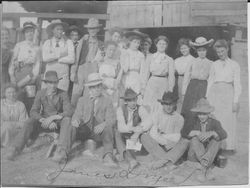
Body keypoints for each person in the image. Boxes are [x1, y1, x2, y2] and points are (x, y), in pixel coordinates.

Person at [53, 73, 117, 166]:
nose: (97, 89)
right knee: (71, 124)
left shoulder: (107, 101)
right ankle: (63, 153)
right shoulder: (82, 100)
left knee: (108, 128)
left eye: (99, 86)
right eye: (94, 87)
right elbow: (77, 115)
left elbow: (111, 119)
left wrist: (103, 124)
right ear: (90, 88)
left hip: (97, 132)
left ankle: (108, 156)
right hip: (84, 130)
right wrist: (76, 120)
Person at [7, 71, 73, 161]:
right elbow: (33, 111)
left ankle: (61, 152)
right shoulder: (40, 93)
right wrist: (43, 119)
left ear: (58, 82)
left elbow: (69, 111)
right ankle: (15, 149)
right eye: (50, 83)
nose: (53, 86)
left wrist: (53, 118)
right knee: (30, 121)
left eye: (55, 82)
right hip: (44, 123)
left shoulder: (63, 94)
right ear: (45, 83)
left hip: (58, 123)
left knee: (67, 120)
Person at [206, 39, 241, 154]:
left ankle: (227, 147)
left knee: (228, 119)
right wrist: (207, 97)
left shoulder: (234, 65)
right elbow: (210, 81)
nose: (220, 54)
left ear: (227, 49)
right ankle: (215, 146)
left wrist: (235, 101)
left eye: (222, 51)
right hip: (215, 93)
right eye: (218, 52)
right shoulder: (214, 64)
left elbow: (237, 84)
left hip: (228, 93)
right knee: (216, 118)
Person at [181, 98, 227, 182]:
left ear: (209, 113)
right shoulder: (192, 121)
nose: (201, 117)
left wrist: (212, 132)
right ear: (197, 113)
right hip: (194, 155)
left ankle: (203, 168)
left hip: (208, 153)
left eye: (204, 114)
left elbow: (224, 134)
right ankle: (207, 168)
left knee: (217, 139)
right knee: (194, 138)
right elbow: (183, 133)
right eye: (199, 114)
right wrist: (194, 132)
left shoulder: (214, 122)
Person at [70, 18, 103, 107]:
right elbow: (76, 57)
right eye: (91, 28)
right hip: (82, 67)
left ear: (98, 29)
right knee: (76, 92)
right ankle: (72, 114)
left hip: (93, 68)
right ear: (88, 30)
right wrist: (73, 72)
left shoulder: (100, 43)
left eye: (95, 28)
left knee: (89, 92)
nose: (92, 30)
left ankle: (85, 114)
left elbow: (101, 60)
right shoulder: (83, 40)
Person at [115, 88, 151, 170]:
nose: (133, 102)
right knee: (117, 133)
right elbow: (121, 128)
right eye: (130, 101)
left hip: (136, 137)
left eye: (134, 100)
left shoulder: (140, 108)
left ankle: (129, 155)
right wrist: (134, 129)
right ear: (126, 101)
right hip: (124, 136)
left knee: (144, 136)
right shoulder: (120, 109)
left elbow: (149, 121)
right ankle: (131, 160)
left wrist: (137, 132)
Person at [9, 22, 41, 112]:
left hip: (30, 74)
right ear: (24, 34)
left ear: (34, 33)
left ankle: (29, 121)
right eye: (27, 32)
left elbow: (37, 63)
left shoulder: (37, 48)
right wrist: (11, 75)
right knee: (18, 97)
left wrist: (34, 76)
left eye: (31, 31)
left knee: (30, 99)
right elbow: (13, 61)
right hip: (19, 73)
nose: (29, 33)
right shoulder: (19, 45)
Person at [181, 37, 213, 119]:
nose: (201, 52)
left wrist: (208, 93)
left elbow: (211, 79)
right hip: (192, 87)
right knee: (190, 108)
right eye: (199, 50)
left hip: (203, 87)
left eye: (203, 50)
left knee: (201, 109)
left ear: (207, 50)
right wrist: (184, 91)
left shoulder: (211, 63)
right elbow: (187, 76)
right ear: (196, 51)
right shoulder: (192, 61)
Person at [142, 36, 175, 113]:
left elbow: (171, 76)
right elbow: (146, 73)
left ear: (166, 46)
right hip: (152, 82)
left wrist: (170, 89)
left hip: (163, 82)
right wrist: (143, 87)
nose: (162, 45)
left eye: (164, 44)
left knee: (161, 104)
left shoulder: (169, 59)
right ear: (156, 45)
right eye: (160, 43)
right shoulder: (150, 57)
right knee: (150, 103)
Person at [42, 19, 75, 92]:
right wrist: (60, 54)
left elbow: (71, 59)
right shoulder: (47, 42)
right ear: (52, 30)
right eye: (57, 29)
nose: (60, 31)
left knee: (61, 97)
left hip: (62, 76)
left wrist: (58, 59)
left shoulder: (68, 42)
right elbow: (45, 58)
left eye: (61, 29)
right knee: (48, 96)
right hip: (49, 75)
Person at [120, 30, 146, 95]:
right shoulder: (125, 52)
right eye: (134, 42)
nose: (136, 44)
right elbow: (122, 67)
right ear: (130, 42)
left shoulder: (141, 55)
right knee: (126, 94)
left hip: (137, 77)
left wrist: (143, 84)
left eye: (138, 43)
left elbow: (143, 71)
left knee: (136, 95)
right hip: (126, 76)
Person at [174, 38, 195, 111]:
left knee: (187, 100)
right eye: (182, 48)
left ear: (189, 48)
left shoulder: (193, 59)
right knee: (179, 100)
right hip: (179, 81)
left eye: (185, 48)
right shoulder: (177, 60)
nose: (183, 50)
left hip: (189, 81)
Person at [98, 40, 121, 107]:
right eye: (110, 50)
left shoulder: (116, 62)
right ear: (105, 49)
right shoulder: (100, 61)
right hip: (102, 86)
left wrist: (114, 86)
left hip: (112, 86)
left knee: (113, 106)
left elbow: (117, 77)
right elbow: (97, 75)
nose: (112, 52)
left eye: (113, 50)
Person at [65, 25, 82, 97]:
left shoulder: (80, 45)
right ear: (69, 36)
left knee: (74, 89)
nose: (75, 37)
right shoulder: (66, 45)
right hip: (66, 69)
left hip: (76, 70)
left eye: (76, 35)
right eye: (72, 35)